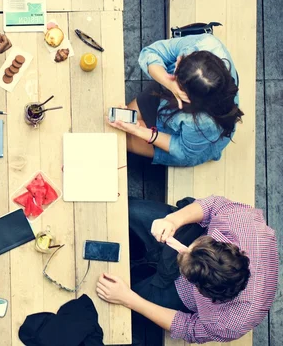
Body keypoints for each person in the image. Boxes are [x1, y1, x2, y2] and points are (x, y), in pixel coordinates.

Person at [95, 195, 278, 345]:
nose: (179, 249)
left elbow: (188, 327)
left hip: (180, 294)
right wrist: (173, 221)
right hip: (189, 233)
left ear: (203, 291)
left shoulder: (229, 323)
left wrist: (129, 299)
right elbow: (212, 205)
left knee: (110, 293)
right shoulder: (241, 224)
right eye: (191, 249)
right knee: (130, 210)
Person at [108, 34, 243, 167]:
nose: (178, 58)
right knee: (114, 123)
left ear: (186, 96)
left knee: (114, 137)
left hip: (177, 138)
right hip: (165, 96)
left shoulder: (205, 124)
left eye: (177, 65)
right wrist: (169, 83)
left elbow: (183, 150)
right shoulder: (206, 44)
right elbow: (151, 52)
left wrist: (140, 132)